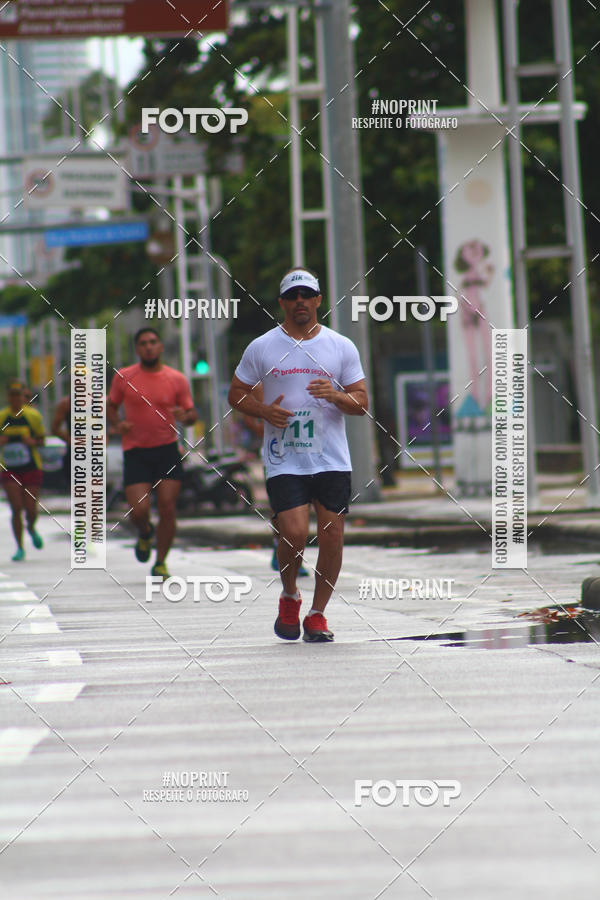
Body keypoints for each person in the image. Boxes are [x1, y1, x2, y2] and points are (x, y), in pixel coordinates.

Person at [228, 267, 368, 642]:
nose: (300, 301)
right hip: (284, 456)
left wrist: (336, 395)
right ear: (282, 303)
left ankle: (318, 614)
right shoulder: (262, 346)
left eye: (307, 294)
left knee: (332, 535)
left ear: (319, 300)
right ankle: (290, 594)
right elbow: (236, 392)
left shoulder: (340, 346)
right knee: (292, 532)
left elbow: (361, 403)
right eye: (293, 296)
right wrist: (263, 411)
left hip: (331, 458)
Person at [107, 328, 197, 579]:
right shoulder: (124, 377)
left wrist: (185, 416)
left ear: (160, 347)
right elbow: (110, 407)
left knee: (168, 507)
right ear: (137, 349)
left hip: (167, 450)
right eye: (143, 343)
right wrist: (117, 424)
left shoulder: (176, 379)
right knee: (139, 511)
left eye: (153, 342)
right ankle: (145, 532)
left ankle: (160, 562)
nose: (148, 347)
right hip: (136, 451)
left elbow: (192, 415)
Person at [241, 408, 310, 578]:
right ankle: (279, 544)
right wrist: (268, 432)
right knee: (280, 504)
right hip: (275, 454)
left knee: (305, 503)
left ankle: (294, 553)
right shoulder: (264, 384)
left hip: (306, 451)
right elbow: (248, 417)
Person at [0, 380, 45, 561]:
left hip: (31, 467)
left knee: (30, 509)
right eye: (12, 394)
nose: (15, 398)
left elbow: (42, 440)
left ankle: (32, 528)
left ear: (22, 397)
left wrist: (32, 442)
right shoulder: (2, 416)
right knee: (16, 508)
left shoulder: (33, 416)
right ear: (8, 397)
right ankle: (20, 547)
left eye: (18, 394)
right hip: (10, 468)